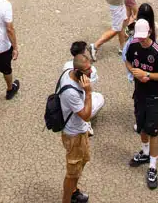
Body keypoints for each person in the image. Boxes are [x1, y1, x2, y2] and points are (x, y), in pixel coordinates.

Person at [125, 18, 158, 190]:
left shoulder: (157, 51)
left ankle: (153, 166)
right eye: (138, 37)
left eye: (143, 37)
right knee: (141, 127)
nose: (141, 40)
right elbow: (127, 61)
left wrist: (147, 75)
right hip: (139, 95)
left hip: (152, 96)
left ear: (150, 32)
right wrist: (133, 72)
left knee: (153, 131)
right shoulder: (133, 45)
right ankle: (145, 152)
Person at [59, 52, 93, 203]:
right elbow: (86, 115)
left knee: (82, 162)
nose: (91, 72)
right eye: (87, 71)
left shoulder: (68, 71)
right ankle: (67, 200)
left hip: (81, 131)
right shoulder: (70, 93)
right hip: (74, 136)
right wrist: (88, 92)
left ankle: (73, 190)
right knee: (72, 173)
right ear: (79, 72)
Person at [61, 42, 104, 125]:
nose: (90, 71)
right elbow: (86, 117)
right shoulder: (72, 92)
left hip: (66, 106)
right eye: (88, 69)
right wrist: (88, 93)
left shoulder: (67, 68)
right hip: (74, 130)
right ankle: (87, 126)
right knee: (100, 98)